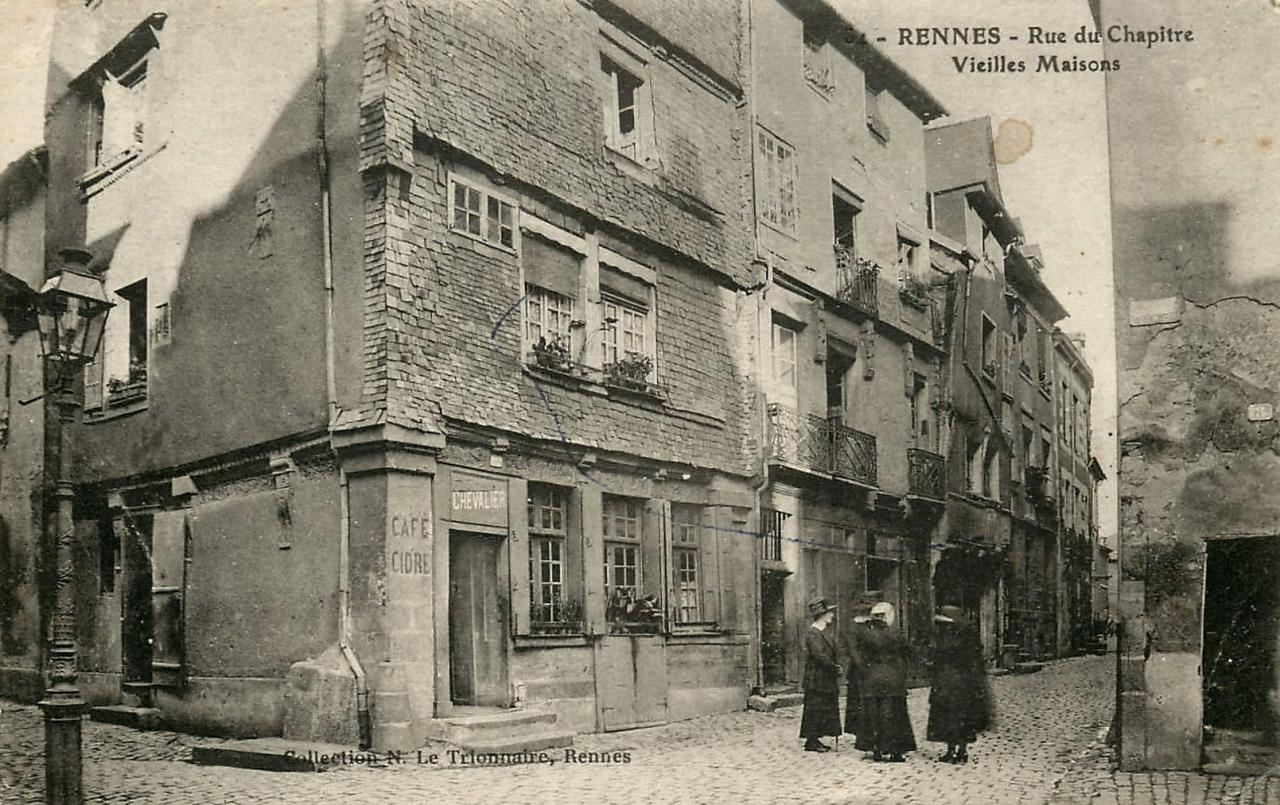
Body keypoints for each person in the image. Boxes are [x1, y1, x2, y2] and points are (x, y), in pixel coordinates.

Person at [926, 605, 992, 764]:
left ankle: (951, 751)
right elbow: (976, 663)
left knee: (949, 716)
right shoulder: (969, 636)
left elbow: (938, 658)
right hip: (965, 684)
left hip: (948, 683)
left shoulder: (947, 639)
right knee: (962, 717)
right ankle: (962, 751)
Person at [854, 601, 917, 762]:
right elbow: (909, 652)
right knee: (893, 714)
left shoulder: (864, 633)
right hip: (893, 679)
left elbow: (859, 656)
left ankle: (876, 750)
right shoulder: (896, 633)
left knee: (874, 714)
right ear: (888, 616)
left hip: (871, 679)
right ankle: (895, 751)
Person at [800, 596, 842, 752]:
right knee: (814, 709)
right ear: (822, 615)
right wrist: (834, 667)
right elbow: (819, 655)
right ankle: (811, 741)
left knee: (823, 708)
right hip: (816, 678)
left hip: (824, 677)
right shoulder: (813, 633)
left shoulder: (823, 632)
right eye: (829, 613)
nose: (832, 615)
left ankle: (816, 738)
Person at [843, 601, 874, 740]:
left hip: (870, 669)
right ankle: (859, 732)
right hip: (858, 670)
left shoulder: (868, 625)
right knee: (858, 700)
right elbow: (853, 650)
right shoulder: (853, 627)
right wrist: (864, 668)